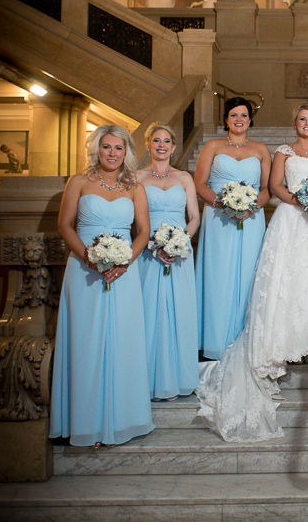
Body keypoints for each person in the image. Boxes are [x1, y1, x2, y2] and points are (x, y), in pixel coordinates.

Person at [196, 103, 308, 442]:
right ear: (294, 122)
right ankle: (286, 341)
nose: (307, 124)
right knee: (287, 281)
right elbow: (276, 186)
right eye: (302, 119)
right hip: (291, 220)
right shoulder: (281, 151)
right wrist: (300, 201)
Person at [49, 125, 154, 447]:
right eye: (106, 147)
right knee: (85, 341)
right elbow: (64, 225)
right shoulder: (79, 182)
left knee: (123, 340)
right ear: (97, 149)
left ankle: (122, 420)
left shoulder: (135, 186)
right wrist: (90, 259)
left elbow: (143, 231)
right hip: (84, 272)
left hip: (123, 274)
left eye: (118, 148)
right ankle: (86, 424)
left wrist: (124, 263)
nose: (112, 153)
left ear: (127, 152)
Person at [193, 97, 271, 360]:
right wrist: (221, 203)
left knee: (250, 273)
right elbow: (200, 183)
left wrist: (250, 208)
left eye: (244, 115)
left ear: (250, 119)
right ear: (226, 119)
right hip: (218, 218)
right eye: (234, 115)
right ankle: (215, 340)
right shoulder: (212, 146)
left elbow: (267, 188)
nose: (239, 119)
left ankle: (246, 339)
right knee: (218, 274)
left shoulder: (261, 149)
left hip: (251, 219)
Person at [136, 124, 200, 402]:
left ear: (174, 147)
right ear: (148, 145)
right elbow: (132, 220)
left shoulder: (185, 177)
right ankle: (147, 380)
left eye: (167, 141)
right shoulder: (136, 178)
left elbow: (195, 217)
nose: (161, 145)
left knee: (180, 311)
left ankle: (179, 377)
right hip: (148, 253)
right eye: (156, 141)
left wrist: (180, 242)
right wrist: (153, 244)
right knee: (149, 311)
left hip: (180, 254)